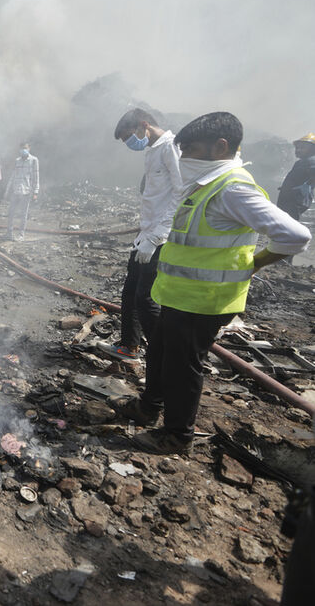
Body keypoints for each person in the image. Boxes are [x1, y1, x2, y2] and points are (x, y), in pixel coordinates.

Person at [114, 112, 311, 454]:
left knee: (182, 367)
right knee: (160, 353)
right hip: (179, 294)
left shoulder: (233, 189)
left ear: (220, 147)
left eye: (190, 150)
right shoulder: (205, 184)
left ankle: (177, 436)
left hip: (205, 300)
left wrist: (257, 263)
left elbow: (295, 236)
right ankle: (148, 407)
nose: (184, 157)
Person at [100, 110, 182, 361]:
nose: (129, 143)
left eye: (129, 137)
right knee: (130, 291)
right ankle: (129, 346)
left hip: (160, 238)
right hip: (145, 234)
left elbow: (181, 195)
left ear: (144, 125)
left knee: (146, 298)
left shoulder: (171, 148)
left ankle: (165, 358)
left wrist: (157, 237)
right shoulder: (153, 150)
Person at [276, 133, 315, 222]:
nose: (298, 150)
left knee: (286, 222)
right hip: (292, 199)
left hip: (294, 200)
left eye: (302, 148)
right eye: (297, 148)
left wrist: (307, 185)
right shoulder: (303, 162)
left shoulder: (311, 161)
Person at [4, 143, 40, 240]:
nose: (23, 150)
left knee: (23, 214)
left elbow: (36, 177)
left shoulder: (34, 160)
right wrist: (7, 190)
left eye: (25, 148)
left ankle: (21, 235)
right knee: (11, 212)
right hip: (15, 190)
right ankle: (9, 233)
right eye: (22, 148)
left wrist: (36, 192)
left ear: (29, 148)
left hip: (26, 191)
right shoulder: (17, 161)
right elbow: (13, 176)